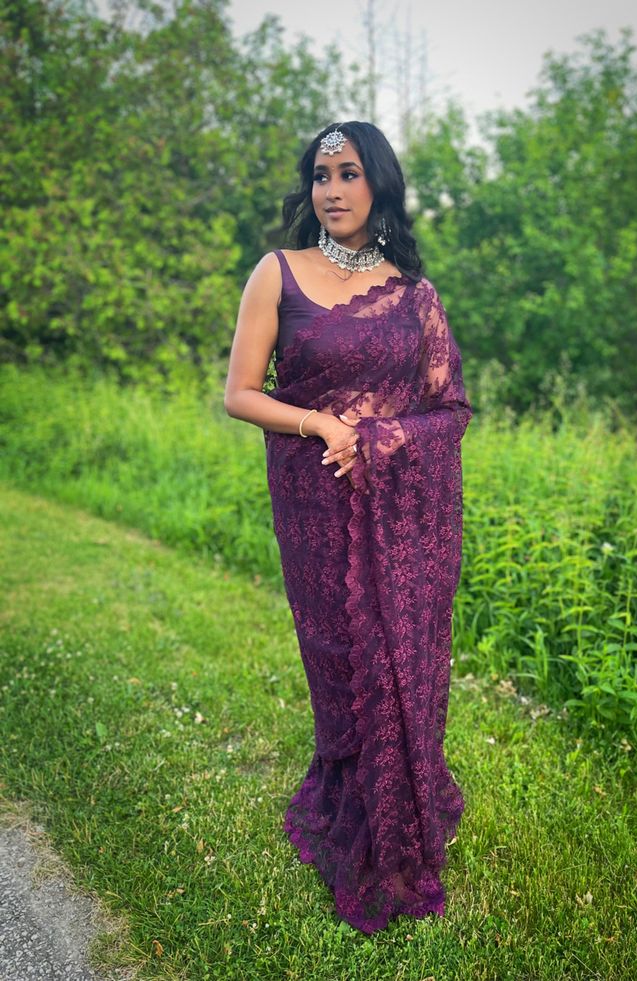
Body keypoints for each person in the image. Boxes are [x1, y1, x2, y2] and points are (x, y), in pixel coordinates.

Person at [223, 120, 473, 934]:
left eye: (348, 173)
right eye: (320, 174)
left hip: (403, 513)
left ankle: (404, 818)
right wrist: (323, 428)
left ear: (380, 185)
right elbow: (242, 393)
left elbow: (450, 406)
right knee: (337, 658)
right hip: (314, 501)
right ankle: (349, 810)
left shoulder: (414, 294)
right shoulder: (278, 272)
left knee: (402, 654)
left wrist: (381, 439)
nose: (331, 189)